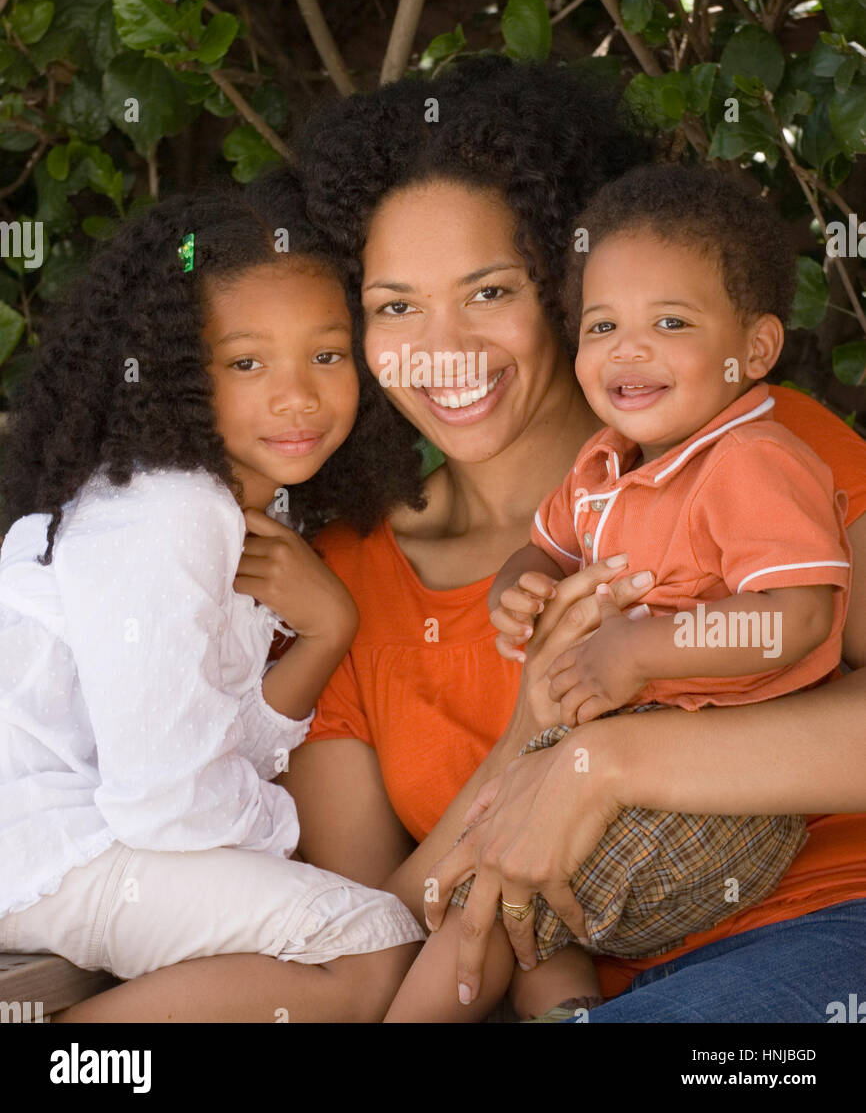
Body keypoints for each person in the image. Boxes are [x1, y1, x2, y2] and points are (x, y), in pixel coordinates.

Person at [283, 55, 866, 1024]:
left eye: (487, 291)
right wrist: (520, 746)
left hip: (815, 933)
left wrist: (601, 767)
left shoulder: (748, 440)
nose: (442, 347)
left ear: (564, 286)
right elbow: (367, 931)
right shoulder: (341, 579)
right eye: (394, 307)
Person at [0, 175, 424, 1023]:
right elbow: (168, 802)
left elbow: (218, 742)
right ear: (174, 374)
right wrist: (279, 839)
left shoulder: (242, 506)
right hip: (53, 851)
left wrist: (326, 632)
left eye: (327, 354)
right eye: (245, 362)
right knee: (374, 940)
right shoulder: (170, 511)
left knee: (360, 932)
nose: (297, 395)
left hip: (101, 839)